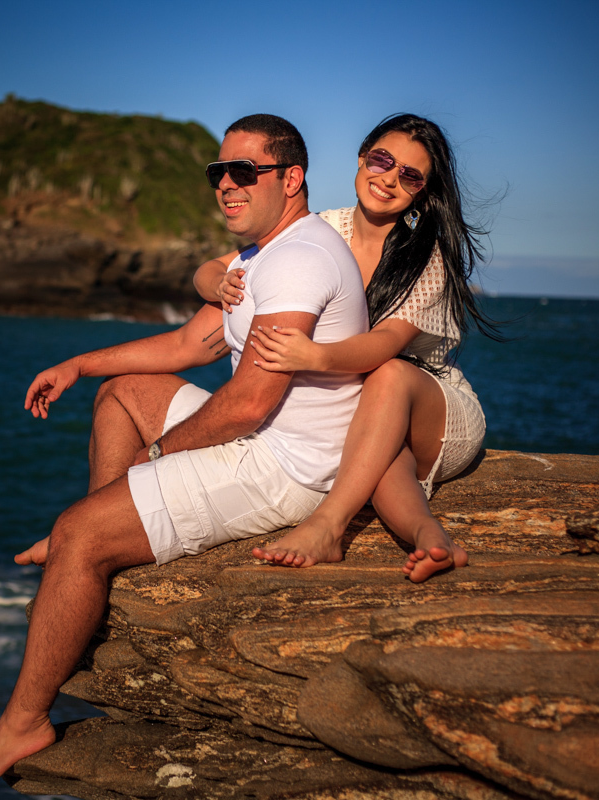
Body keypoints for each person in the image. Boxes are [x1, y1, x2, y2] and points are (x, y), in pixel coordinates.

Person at [0, 114, 367, 794]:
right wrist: (78, 364)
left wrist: (160, 455)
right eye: (218, 174)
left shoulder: (300, 259)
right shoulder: (258, 255)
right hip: (261, 436)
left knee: (79, 533)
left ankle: (25, 718)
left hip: (289, 469)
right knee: (123, 393)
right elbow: (188, 347)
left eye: (244, 173)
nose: (226, 187)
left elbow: (250, 401)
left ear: (291, 179)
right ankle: (105, 543)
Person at [193, 113, 499, 582]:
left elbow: (384, 346)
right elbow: (209, 268)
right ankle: (433, 541)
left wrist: (314, 357)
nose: (389, 178)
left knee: (390, 375)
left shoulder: (427, 255)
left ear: (421, 191)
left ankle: (328, 526)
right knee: (379, 460)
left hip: (430, 401)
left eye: (410, 175)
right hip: (365, 400)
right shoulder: (319, 228)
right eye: (382, 160)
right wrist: (219, 283)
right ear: (362, 158)